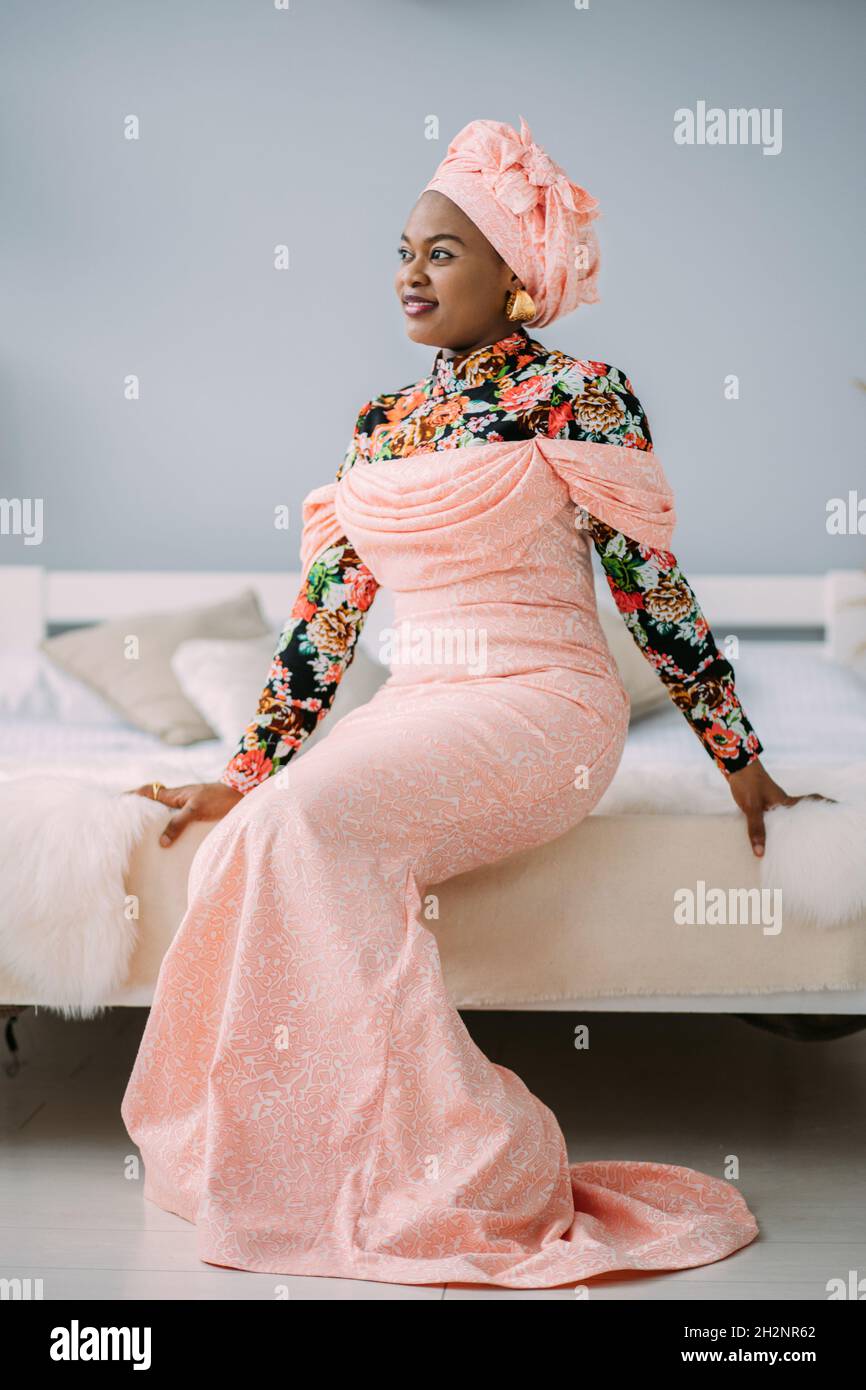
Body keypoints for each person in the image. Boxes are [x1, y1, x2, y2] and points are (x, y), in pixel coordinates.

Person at [122, 117, 816, 1288]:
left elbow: (655, 595)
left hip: (545, 708)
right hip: (420, 703)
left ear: (513, 274)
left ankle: (470, 1165)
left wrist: (738, 761)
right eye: (402, 250)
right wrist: (238, 774)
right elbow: (322, 632)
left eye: (441, 252)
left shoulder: (580, 397)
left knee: (305, 824)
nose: (408, 271)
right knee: (256, 832)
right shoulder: (378, 427)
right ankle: (299, 1151)